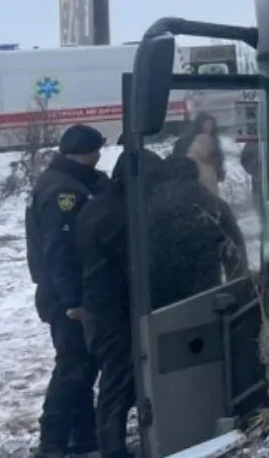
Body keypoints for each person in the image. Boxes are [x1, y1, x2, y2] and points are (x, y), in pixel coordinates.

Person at [24, 124, 108, 458]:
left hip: (61, 290)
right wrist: (74, 301)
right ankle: (52, 441)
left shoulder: (59, 180)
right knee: (73, 366)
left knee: (83, 365)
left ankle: (82, 435)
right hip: (65, 295)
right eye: (97, 150)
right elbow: (59, 252)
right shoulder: (64, 192)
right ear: (88, 152)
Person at [76, 147, 164, 458]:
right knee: (117, 381)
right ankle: (111, 449)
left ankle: (111, 443)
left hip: (99, 304)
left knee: (113, 379)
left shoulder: (97, 206)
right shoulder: (123, 215)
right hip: (115, 308)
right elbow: (134, 265)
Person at [147, 156, 250, 310]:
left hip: (159, 301)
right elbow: (236, 256)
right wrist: (236, 296)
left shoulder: (149, 206)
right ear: (195, 174)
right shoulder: (212, 204)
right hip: (203, 297)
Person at [173, 112, 225, 193]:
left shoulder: (214, 141)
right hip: (191, 179)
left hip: (209, 178)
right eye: (206, 124)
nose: (209, 127)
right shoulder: (185, 141)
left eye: (211, 124)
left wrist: (218, 171)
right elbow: (178, 160)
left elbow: (218, 158)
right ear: (199, 125)